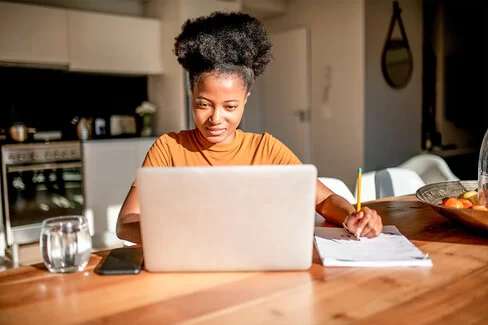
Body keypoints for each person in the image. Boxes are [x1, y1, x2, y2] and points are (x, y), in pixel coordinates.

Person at [116, 11, 382, 244]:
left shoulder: (265, 149)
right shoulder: (169, 148)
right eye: (203, 104)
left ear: (245, 100)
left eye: (230, 107)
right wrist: (181, 232)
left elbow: (323, 201)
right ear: (191, 94)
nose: (216, 118)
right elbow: (126, 223)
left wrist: (353, 217)